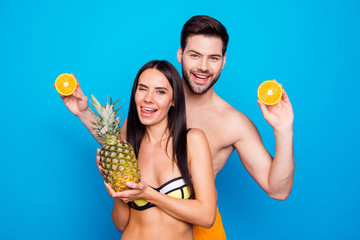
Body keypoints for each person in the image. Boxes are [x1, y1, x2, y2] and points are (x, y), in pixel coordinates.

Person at [59, 15, 294, 239]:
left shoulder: (233, 122)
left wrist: (283, 130)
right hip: (141, 222)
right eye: (195, 55)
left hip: (199, 229)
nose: (203, 66)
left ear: (223, 61)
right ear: (180, 54)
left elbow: (278, 190)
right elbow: (121, 147)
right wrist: (83, 112)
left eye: (213, 58)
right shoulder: (152, 103)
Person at [60, 60, 217, 239]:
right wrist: (117, 188)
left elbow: (206, 216)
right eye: (142, 88)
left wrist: (148, 194)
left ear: (173, 100)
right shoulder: (128, 147)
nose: (148, 98)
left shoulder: (191, 140)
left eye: (160, 91)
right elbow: (121, 224)